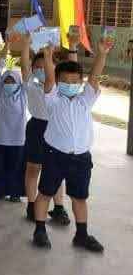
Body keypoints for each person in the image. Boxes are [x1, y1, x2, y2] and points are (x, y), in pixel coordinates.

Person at [31, 38, 111, 252]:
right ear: (58, 83)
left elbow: (93, 78)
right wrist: (48, 56)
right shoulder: (53, 99)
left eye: (76, 82)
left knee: (80, 197)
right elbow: (49, 77)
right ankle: (39, 230)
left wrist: (102, 54)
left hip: (81, 158)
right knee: (46, 193)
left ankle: (82, 235)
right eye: (65, 81)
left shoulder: (85, 100)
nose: (71, 85)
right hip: (55, 155)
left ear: (80, 83)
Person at [21, 35, 73, 225]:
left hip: (55, 129)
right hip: (36, 127)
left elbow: (71, 70)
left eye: (46, 67)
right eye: (38, 67)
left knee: (55, 169)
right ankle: (31, 205)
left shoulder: (57, 88)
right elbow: (25, 64)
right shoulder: (30, 84)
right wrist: (26, 44)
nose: (41, 70)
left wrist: (70, 47)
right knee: (33, 169)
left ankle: (58, 207)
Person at [0, 64, 28, 201]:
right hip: (1, 138)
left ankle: (15, 193)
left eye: (12, 81)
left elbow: (27, 75)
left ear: (18, 82)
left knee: (16, 168)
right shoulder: (0, 92)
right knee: (1, 167)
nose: (9, 84)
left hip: (18, 139)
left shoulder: (23, 94)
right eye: (6, 81)